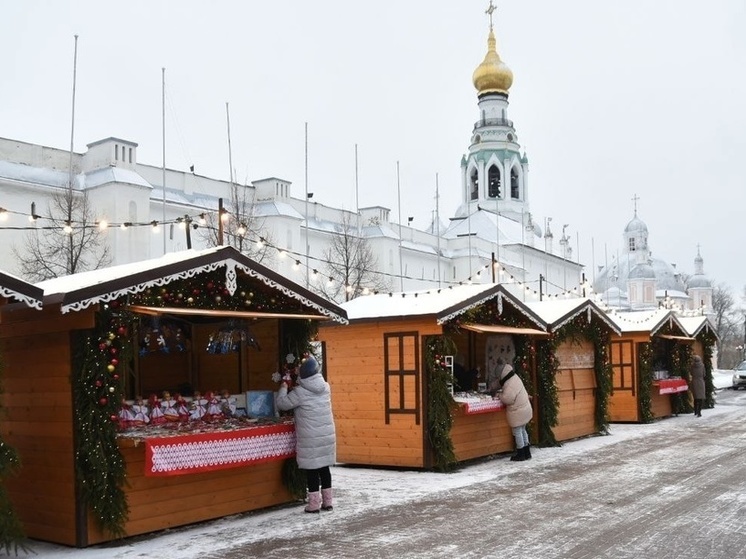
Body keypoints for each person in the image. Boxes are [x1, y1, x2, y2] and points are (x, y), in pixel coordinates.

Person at [275, 355, 337, 513]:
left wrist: (283, 386)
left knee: (312, 470)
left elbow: (282, 404)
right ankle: (328, 502)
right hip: (327, 435)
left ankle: (314, 505)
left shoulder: (300, 392)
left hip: (310, 437)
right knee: (324, 469)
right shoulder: (326, 387)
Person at [494, 357, 533, 461]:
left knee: (517, 431)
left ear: (502, 374)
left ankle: (521, 454)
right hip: (525, 409)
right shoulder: (514, 377)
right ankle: (527, 452)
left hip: (518, 411)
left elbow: (508, 399)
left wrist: (499, 395)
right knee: (523, 430)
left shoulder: (509, 384)